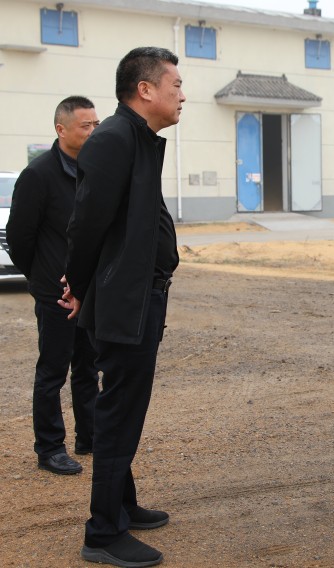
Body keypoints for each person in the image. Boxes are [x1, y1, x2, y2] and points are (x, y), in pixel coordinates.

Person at [59, 46, 185, 568]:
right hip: (124, 300)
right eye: (176, 84)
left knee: (125, 407)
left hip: (139, 295)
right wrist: (80, 286)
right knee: (119, 413)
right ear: (145, 89)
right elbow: (86, 225)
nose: (183, 95)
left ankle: (123, 505)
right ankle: (103, 532)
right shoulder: (114, 140)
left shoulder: (139, 139)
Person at [6, 96, 101, 475]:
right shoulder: (39, 175)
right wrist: (43, 279)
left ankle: (89, 436)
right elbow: (20, 238)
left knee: (88, 368)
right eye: (85, 126)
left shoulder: (94, 169)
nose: (93, 131)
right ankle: (49, 448)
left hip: (89, 291)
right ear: (61, 130)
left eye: (96, 124)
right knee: (52, 372)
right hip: (55, 295)